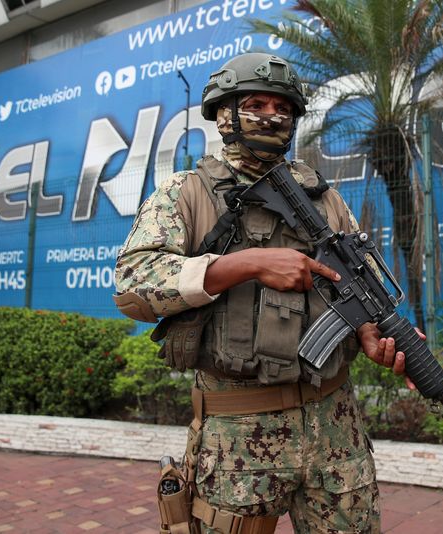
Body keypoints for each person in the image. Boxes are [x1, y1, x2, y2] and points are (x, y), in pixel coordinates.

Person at [113, 52, 415, 534]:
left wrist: (370, 334)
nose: (272, 117)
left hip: (335, 427)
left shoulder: (327, 200)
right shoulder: (186, 193)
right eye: (256, 103)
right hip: (236, 438)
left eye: (284, 108)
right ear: (224, 114)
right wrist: (245, 265)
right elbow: (132, 284)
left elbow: (357, 290)